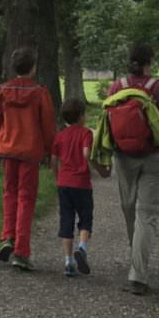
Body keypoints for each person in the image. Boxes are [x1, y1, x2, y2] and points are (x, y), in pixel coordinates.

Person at [106, 42, 159, 295]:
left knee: (129, 207)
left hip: (123, 156)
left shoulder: (116, 87)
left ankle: (135, 254)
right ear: (150, 61)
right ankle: (138, 273)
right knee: (146, 213)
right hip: (155, 156)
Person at [0, 47, 57, 271]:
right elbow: (47, 124)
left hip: (7, 148)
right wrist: (50, 151)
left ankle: (7, 236)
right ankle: (22, 251)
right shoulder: (39, 92)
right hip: (30, 150)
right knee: (26, 199)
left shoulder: (2, 91)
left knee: (9, 193)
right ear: (33, 67)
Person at [52, 97, 98, 277]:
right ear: (81, 116)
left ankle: (68, 261)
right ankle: (82, 248)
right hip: (82, 184)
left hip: (64, 183)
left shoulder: (60, 135)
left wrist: (58, 177)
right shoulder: (86, 133)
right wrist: (92, 163)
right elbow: (86, 153)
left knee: (66, 220)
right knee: (85, 218)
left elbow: (54, 159)